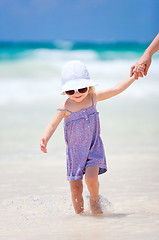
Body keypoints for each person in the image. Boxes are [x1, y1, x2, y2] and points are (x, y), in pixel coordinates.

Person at [40, 60, 145, 215]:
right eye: (71, 91)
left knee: (90, 178)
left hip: (93, 147)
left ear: (88, 86)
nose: (77, 94)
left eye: (81, 88)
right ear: (65, 92)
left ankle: (94, 199)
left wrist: (133, 77)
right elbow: (52, 125)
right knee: (76, 189)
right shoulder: (65, 106)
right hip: (75, 153)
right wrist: (45, 138)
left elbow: (116, 89)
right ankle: (80, 217)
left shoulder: (92, 98)